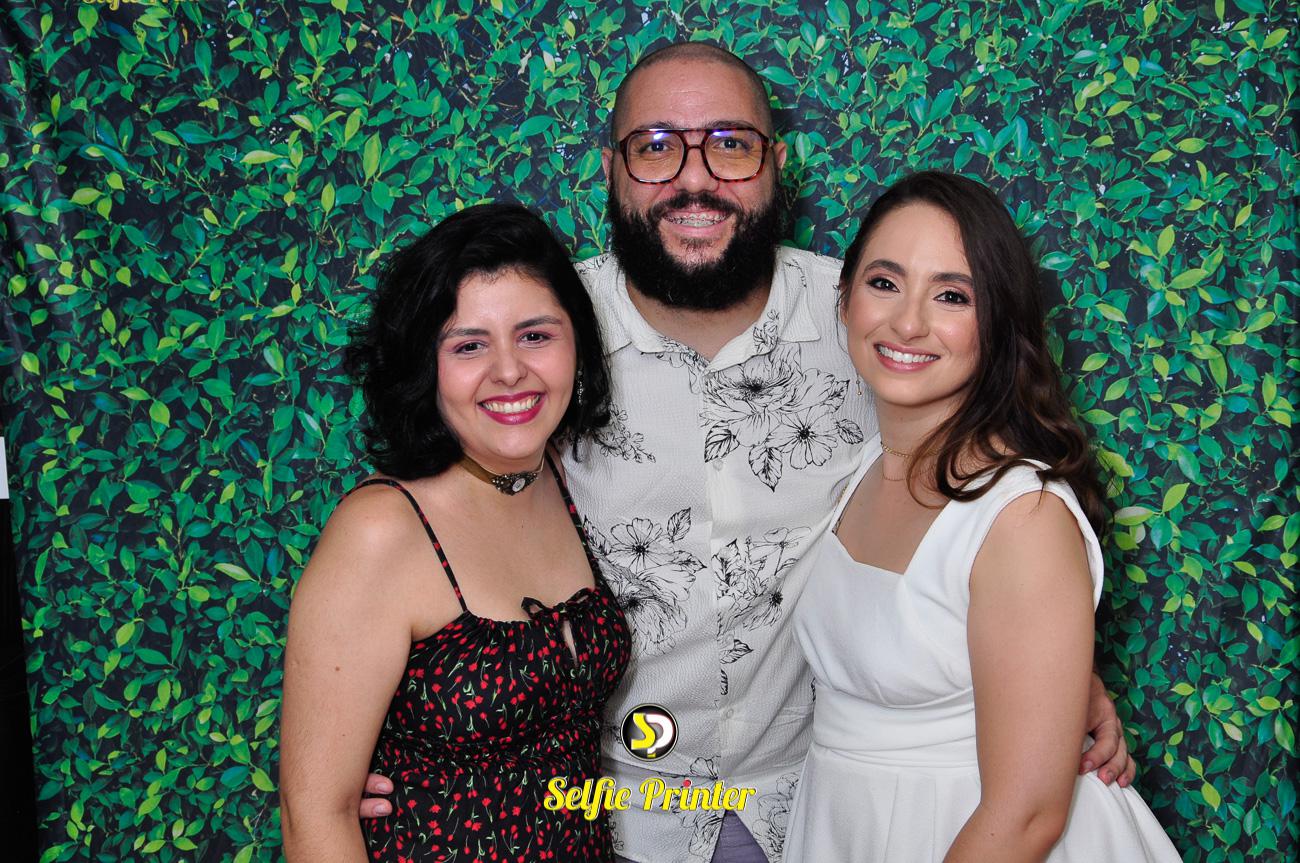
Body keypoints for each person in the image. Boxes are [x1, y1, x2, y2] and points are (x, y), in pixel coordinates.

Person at [361, 43, 1136, 863]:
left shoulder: (870, 316)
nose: (694, 179)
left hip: (808, 805)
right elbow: (436, 513)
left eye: (731, 144)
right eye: (655, 146)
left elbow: (987, 500)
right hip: (609, 808)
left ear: (776, 164)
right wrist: (411, 738)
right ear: (610, 168)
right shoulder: (544, 335)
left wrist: (1048, 676)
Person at [783, 171, 1180, 861]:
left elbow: (1027, 816)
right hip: (846, 819)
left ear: (997, 322)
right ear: (843, 299)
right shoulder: (863, 466)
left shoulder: (1022, 516)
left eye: (951, 295)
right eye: (884, 282)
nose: (908, 322)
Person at [279, 203, 630, 862]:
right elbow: (315, 816)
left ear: (577, 344)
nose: (509, 370)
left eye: (535, 335)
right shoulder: (380, 531)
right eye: (469, 345)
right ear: (425, 365)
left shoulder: (560, 477)